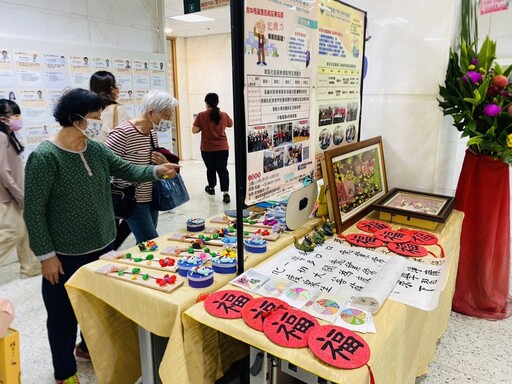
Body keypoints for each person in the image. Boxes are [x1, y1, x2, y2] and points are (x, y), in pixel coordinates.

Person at [23, 88, 180, 384]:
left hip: (103, 246)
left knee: (96, 307)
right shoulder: (45, 157)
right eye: (97, 117)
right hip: (65, 254)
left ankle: (86, 349)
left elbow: (127, 169)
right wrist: (46, 256)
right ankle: (65, 373)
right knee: (62, 317)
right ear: (76, 118)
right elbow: (33, 212)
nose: (101, 123)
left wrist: (157, 171)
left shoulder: (94, 149)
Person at [105, 89, 178, 244]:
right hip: (132, 199)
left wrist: (163, 162)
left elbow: (152, 163)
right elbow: (106, 164)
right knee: (151, 241)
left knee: (145, 243)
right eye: (167, 115)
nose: (169, 120)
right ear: (151, 112)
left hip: (151, 195)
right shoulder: (122, 134)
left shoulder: (151, 132)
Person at [89, 70, 131, 249]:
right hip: (113, 169)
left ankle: (107, 249)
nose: (118, 89)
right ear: (110, 88)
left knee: (108, 216)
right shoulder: (117, 110)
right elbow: (128, 139)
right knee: (128, 211)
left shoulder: (88, 110)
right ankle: (110, 250)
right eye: (115, 85)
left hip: (93, 170)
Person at [0, 99, 41, 279]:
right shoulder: (1, 137)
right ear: (3, 119)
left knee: (25, 233)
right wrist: (20, 196)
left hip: (15, 196)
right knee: (13, 232)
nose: (18, 119)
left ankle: (31, 268)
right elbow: (3, 172)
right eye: (14, 115)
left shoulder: (9, 136)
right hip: (7, 198)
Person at [192, 92, 233, 203]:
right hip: (223, 148)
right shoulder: (224, 115)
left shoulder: (201, 115)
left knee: (211, 169)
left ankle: (211, 188)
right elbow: (230, 124)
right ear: (217, 102)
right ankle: (226, 193)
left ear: (206, 103)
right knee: (223, 170)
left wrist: (203, 127)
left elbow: (194, 131)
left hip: (207, 149)